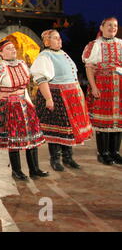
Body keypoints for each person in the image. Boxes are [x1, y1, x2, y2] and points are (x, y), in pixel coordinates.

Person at [0, 40, 49, 180]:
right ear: (1, 53)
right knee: (14, 138)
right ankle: (17, 171)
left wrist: (29, 102)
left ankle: (34, 169)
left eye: (13, 48)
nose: (13, 50)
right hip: (10, 105)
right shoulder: (1, 66)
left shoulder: (22, 63)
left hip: (24, 102)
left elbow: (24, 87)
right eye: (9, 48)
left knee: (32, 136)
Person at [31, 30, 92, 171]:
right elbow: (41, 79)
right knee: (56, 130)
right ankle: (55, 159)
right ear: (47, 41)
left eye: (60, 38)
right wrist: (48, 99)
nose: (60, 41)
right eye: (55, 38)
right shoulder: (44, 56)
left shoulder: (63, 53)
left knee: (69, 128)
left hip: (70, 96)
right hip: (57, 96)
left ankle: (68, 157)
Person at [82, 17, 122, 165]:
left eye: (115, 25)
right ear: (102, 27)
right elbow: (89, 68)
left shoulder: (121, 44)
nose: (113, 28)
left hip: (119, 86)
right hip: (103, 85)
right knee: (103, 120)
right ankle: (103, 152)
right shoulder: (95, 45)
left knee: (118, 120)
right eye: (109, 25)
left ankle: (115, 152)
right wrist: (93, 86)